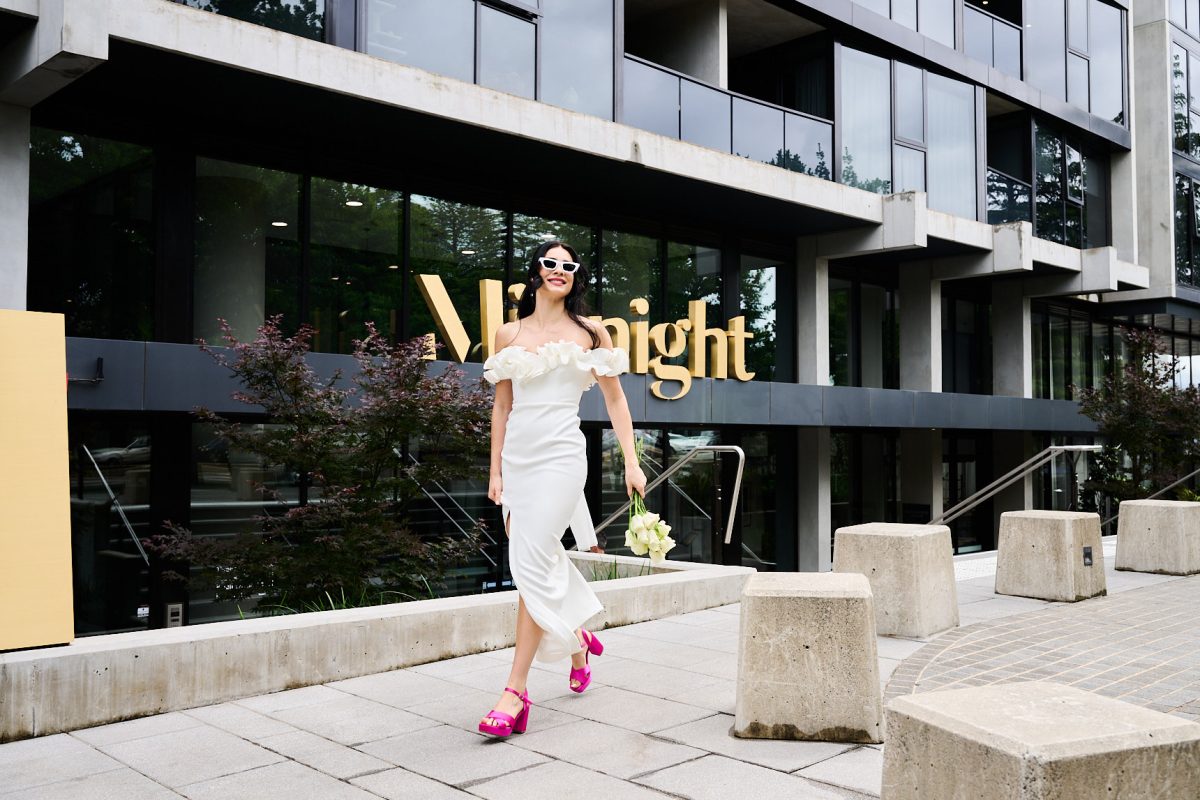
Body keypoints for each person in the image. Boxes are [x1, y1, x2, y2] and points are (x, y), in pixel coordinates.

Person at [476, 240, 646, 737]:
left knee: (528, 561)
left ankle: (515, 691)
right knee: (539, 559)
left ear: (576, 278)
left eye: (568, 266)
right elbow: (502, 408)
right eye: (550, 263)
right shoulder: (508, 333)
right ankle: (577, 639)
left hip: (561, 459)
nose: (559, 270)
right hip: (518, 461)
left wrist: (632, 464)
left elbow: (616, 402)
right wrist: (495, 472)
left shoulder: (592, 332)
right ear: (535, 273)